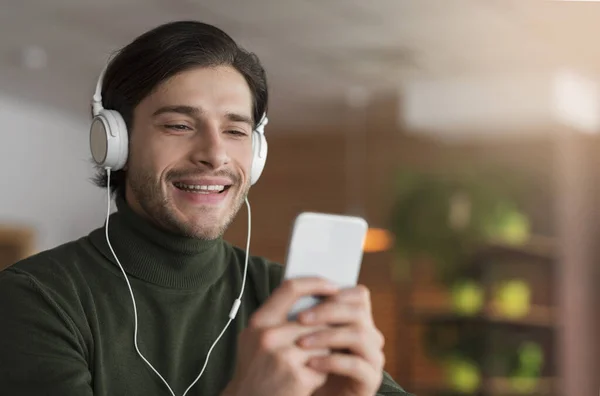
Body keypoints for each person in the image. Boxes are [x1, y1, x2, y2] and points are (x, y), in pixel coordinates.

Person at [0, 20, 411, 396]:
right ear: (115, 143)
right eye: (179, 125)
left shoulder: (288, 299)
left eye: (235, 130)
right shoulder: (36, 299)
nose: (215, 155)